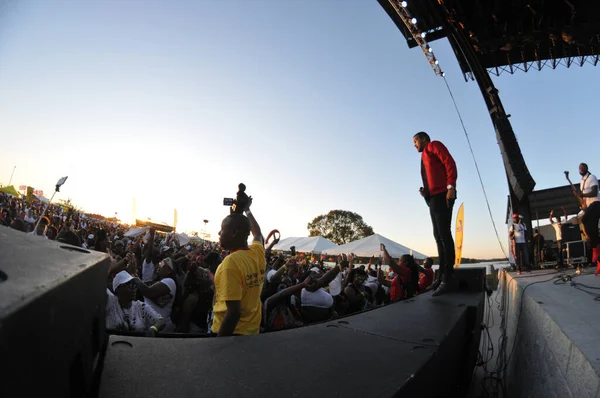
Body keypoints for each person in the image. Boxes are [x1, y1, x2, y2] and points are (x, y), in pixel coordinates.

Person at [211, 199, 266, 337]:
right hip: (252, 331)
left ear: (234, 232)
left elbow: (233, 313)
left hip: (231, 334)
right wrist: (247, 210)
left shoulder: (230, 263)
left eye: (222, 229)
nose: (219, 233)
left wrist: (218, 346)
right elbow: (257, 234)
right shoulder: (257, 253)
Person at [413, 131, 457, 296]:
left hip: (442, 195)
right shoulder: (424, 155)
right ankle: (440, 278)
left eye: (415, 141)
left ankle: (448, 278)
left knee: (444, 234)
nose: (414, 145)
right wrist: (426, 193)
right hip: (433, 197)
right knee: (438, 236)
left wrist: (451, 186)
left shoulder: (433, 146)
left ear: (424, 139)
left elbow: (449, 162)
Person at [106, 271, 166, 335]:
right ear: (118, 289)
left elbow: (160, 321)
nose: (134, 288)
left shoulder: (140, 306)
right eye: (130, 285)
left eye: (134, 285)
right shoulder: (110, 302)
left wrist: (153, 329)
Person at [577, 163, 600, 275]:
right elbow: (584, 197)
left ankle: (597, 248)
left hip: (596, 204)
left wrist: (583, 195)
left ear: (586, 168)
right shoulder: (582, 182)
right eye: (579, 168)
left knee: (584, 220)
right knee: (593, 231)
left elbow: (595, 192)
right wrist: (583, 204)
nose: (580, 169)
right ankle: (599, 261)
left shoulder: (592, 177)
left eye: (582, 167)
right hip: (589, 206)